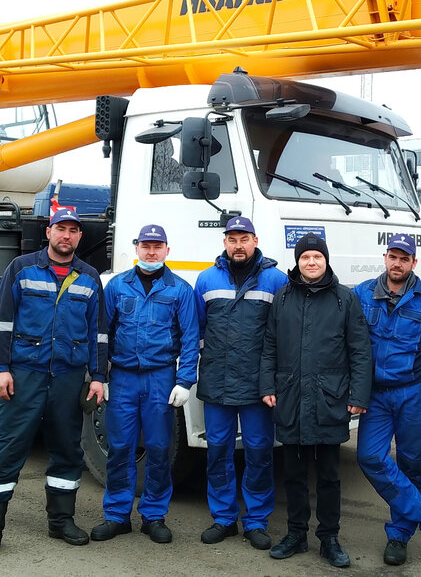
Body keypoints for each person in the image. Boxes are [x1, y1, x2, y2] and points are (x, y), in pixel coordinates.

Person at [0, 207, 106, 560]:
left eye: (73, 230)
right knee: (7, 448)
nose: (67, 235)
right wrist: (0, 368)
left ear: (79, 237)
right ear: (48, 232)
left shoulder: (90, 278)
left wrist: (99, 377)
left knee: (66, 449)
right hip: (24, 375)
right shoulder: (22, 268)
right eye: (61, 228)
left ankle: (61, 521)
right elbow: (0, 321)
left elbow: (98, 334)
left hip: (68, 377)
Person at [260, 232, 371, 569]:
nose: (311, 263)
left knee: (329, 476)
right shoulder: (281, 298)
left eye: (317, 257)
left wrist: (358, 395)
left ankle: (329, 537)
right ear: (298, 261)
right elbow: (269, 347)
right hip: (290, 397)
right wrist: (268, 385)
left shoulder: (344, 299)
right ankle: (296, 534)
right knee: (293, 473)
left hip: (329, 398)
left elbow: (360, 351)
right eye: (305, 257)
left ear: (326, 260)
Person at [91, 224, 199, 545]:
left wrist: (184, 380)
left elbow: (191, 338)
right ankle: (117, 515)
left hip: (160, 378)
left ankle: (154, 515)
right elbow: (102, 334)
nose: (151, 252)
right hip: (122, 378)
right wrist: (101, 375)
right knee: (120, 447)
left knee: (158, 448)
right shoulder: (117, 287)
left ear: (168, 250)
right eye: (146, 246)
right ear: (136, 248)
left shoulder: (180, 290)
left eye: (158, 246)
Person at [351, 233, 421, 566]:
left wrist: (418, 366)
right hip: (377, 396)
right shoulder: (362, 293)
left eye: (404, 258)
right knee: (370, 456)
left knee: (412, 463)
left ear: (413, 262)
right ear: (385, 258)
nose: (397, 263)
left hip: (414, 393)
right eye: (393, 257)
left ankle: (398, 535)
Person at [193, 216, 288, 550]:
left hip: (257, 386)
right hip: (217, 383)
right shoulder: (206, 279)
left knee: (259, 452)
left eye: (244, 238)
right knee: (218, 452)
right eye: (232, 239)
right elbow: (198, 330)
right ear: (224, 243)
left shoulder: (276, 280)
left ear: (255, 240)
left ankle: (257, 520)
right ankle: (223, 518)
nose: (238, 245)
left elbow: (282, 333)